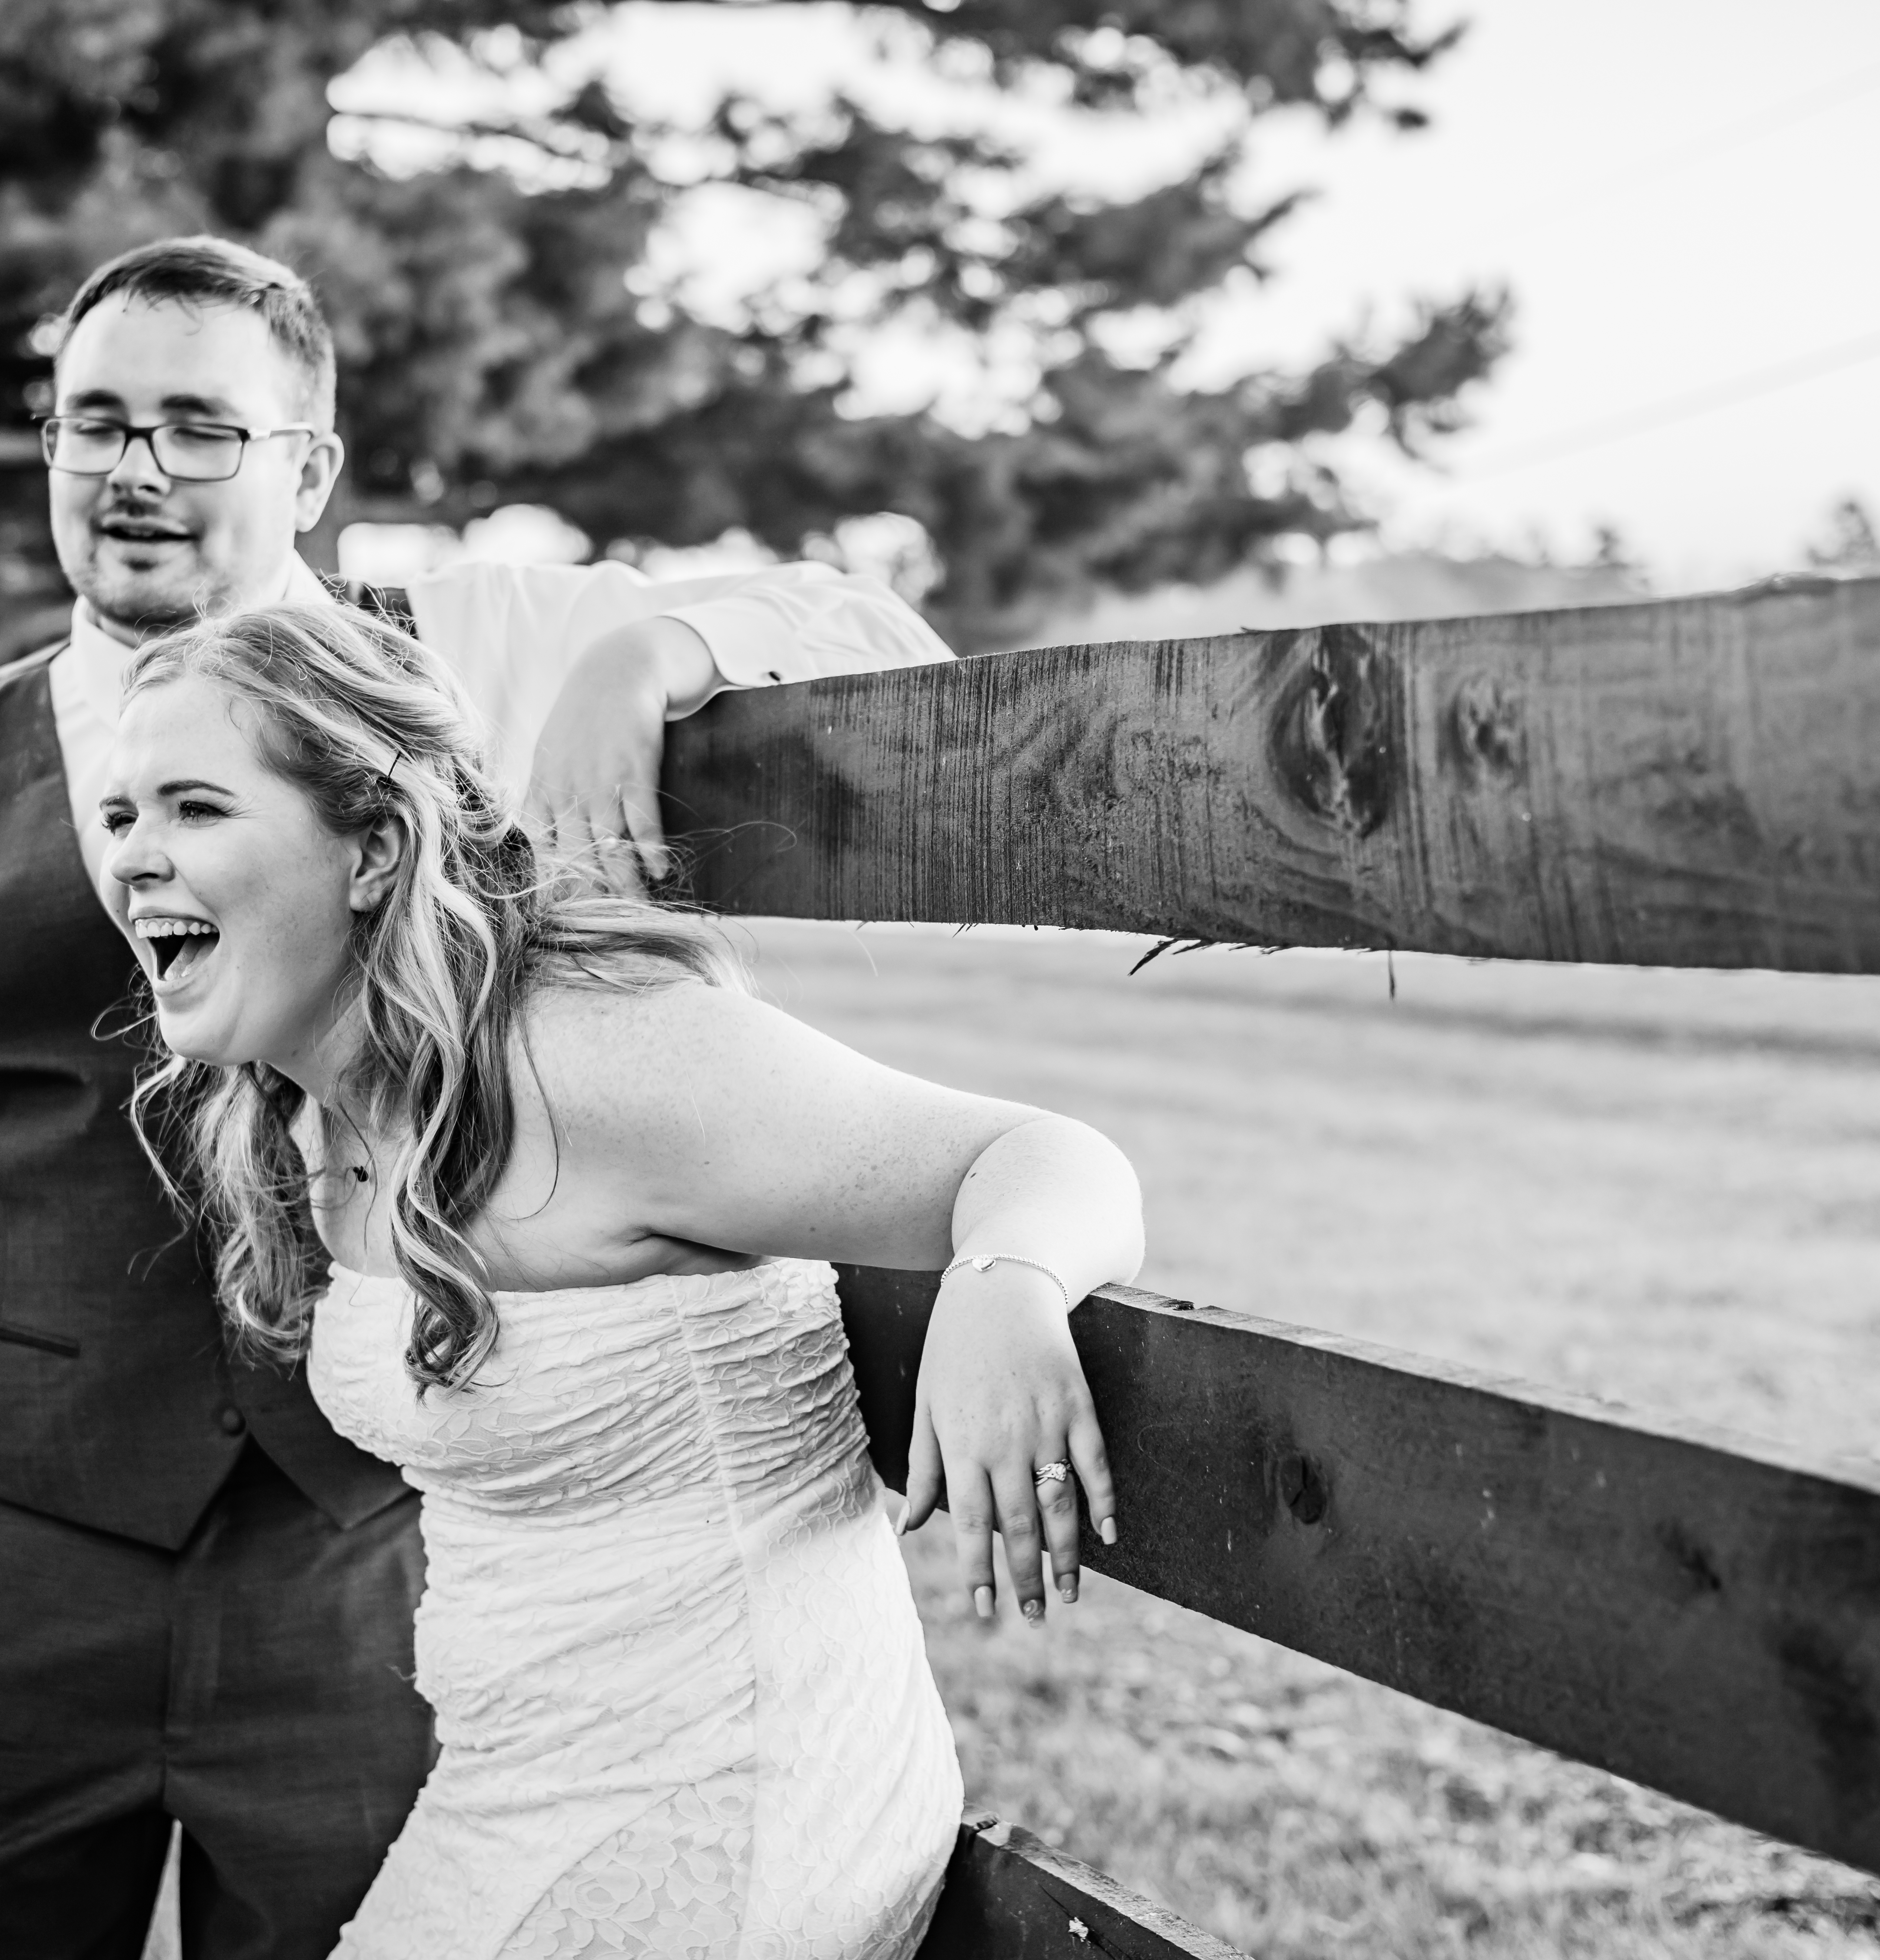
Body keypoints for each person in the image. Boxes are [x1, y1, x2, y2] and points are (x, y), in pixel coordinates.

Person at [0, 235, 956, 1960]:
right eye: (94, 422)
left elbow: (876, 629)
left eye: (200, 427)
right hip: (8, 1566)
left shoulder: (469, 662)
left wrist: (648, 654)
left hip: (363, 1565)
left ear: (309, 468)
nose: (136, 470)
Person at [99, 599, 1142, 1959]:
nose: (135, 857)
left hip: (731, 1798)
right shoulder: (316, 1109)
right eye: (120, 815)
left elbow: (1044, 1154)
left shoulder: (588, 1057)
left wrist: (1002, 1282)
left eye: (194, 808)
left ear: (374, 849)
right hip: (514, 1789)